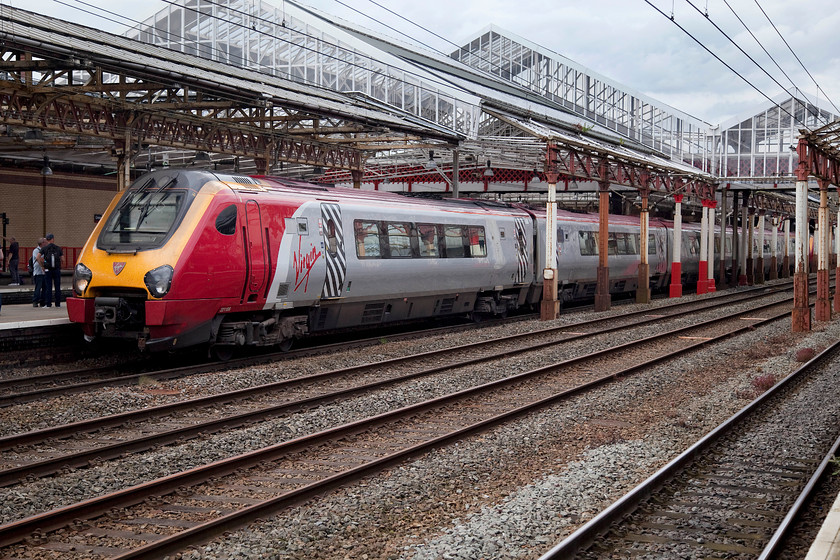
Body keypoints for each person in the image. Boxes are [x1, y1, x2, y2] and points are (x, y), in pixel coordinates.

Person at [41, 233, 63, 308]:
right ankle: (58, 304)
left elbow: (38, 257)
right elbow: (62, 259)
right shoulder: (58, 248)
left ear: (47, 240)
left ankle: (48, 304)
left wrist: (42, 266)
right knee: (57, 287)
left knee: (48, 287)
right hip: (56, 270)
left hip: (48, 270)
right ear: (53, 239)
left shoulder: (44, 248)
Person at [31, 238, 46, 308]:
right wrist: (42, 265)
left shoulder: (44, 250)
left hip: (44, 272)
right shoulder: (36, 251)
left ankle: (43, 301)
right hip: (38, 272)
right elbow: (39, 259)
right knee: (38, 287)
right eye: (45, 242)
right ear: (42, 243)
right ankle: (35, 301)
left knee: (45, 287)